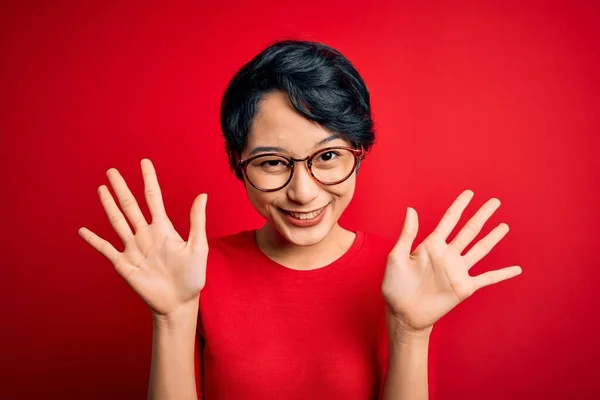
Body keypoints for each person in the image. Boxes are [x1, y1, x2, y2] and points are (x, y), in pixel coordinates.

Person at [78, 39, 522, 400]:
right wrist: (172, 318)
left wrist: (410, 331)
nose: (303, 192)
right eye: (272, 162)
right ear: (238, 163)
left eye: (328, 156)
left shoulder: (409, 274)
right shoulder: (192, 270)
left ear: (359, 154)